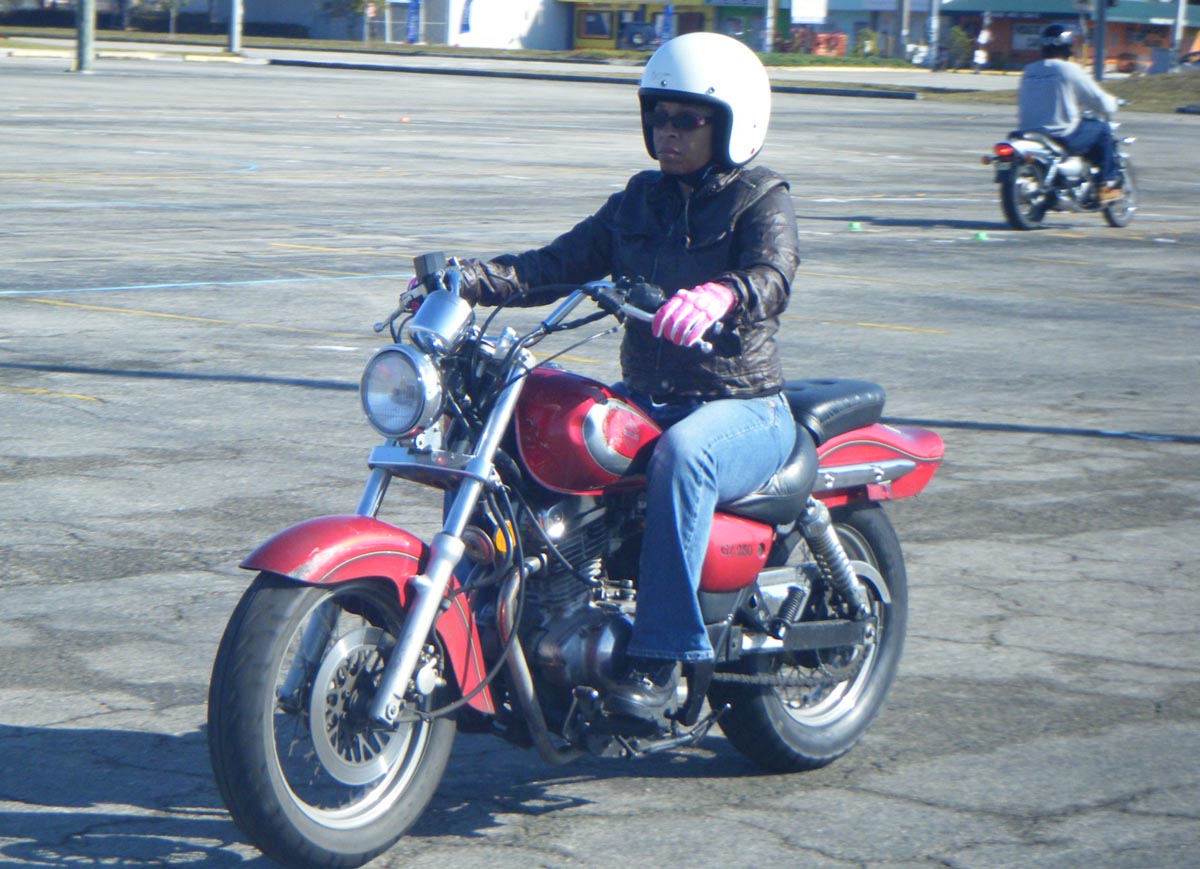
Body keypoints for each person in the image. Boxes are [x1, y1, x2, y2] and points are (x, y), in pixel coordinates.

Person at [446, 32, 801, 723]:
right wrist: (465, 280)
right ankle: (513, 630)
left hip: (743, 404)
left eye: (687, 119)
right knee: (538, 430)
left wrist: (723, 293)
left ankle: (661, 655)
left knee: (685, 455)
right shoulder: (639, 200)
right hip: (649, 396)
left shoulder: (762, 197)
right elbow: (551, 265)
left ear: (733, 123)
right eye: (659, 116)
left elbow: (773, 272)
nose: (668, 132)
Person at [1018, 23, 1123, 202]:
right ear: (1068, 46)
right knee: (1102, 129)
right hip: (1061, 134)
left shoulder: (1029, 70)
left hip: (1028, 133)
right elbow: (1097, 99)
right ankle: (1105, 185)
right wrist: (1113, 103)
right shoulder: (1069, 69)